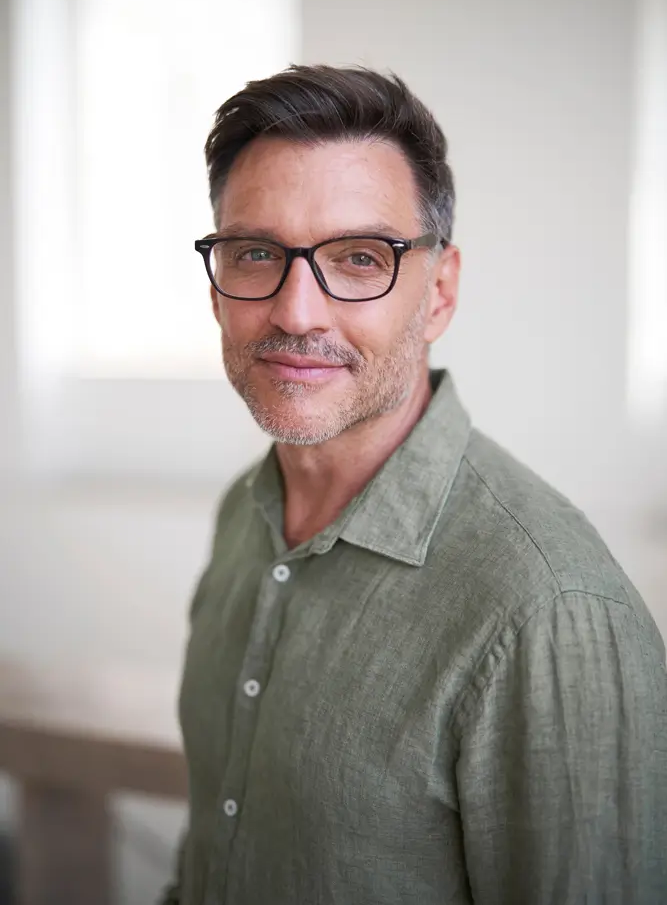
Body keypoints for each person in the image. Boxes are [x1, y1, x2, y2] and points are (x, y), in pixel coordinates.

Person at [162, 65, 667, 905]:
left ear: (438, 292)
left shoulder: (549, 610)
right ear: (216, 287)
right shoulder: (240, 516)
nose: (296, 312)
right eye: (255, 253)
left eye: (358, 259)